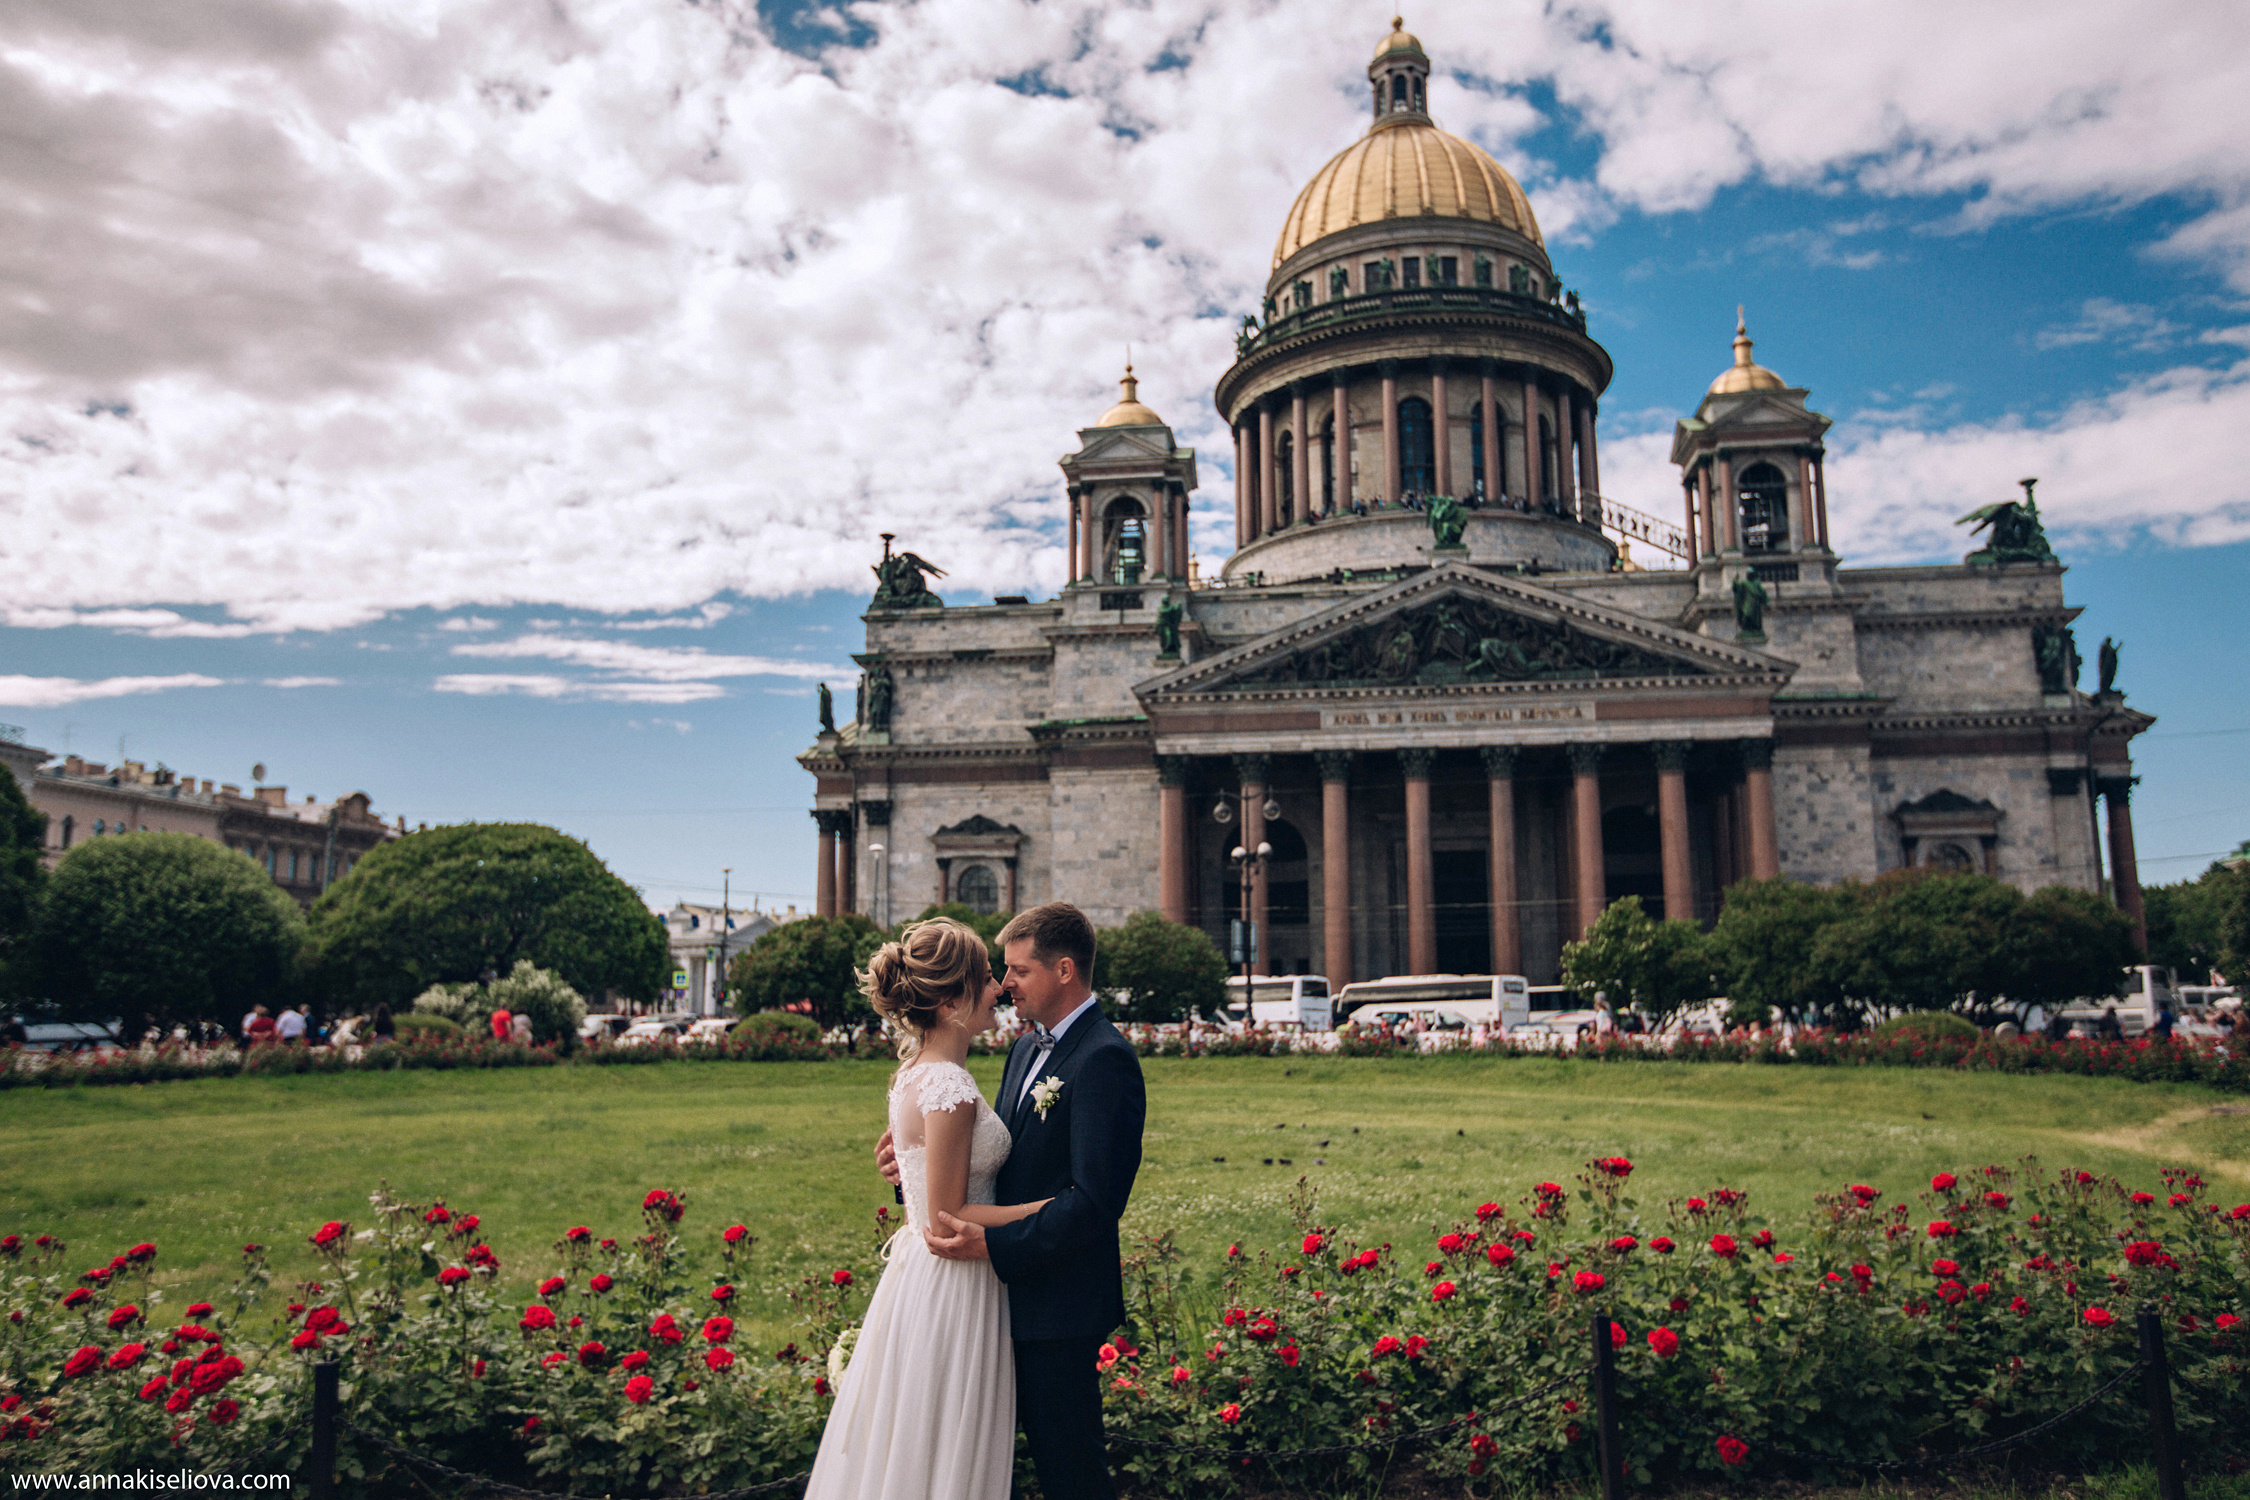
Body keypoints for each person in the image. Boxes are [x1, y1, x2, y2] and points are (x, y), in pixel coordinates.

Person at [879, 902, 1147, 1500]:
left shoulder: (1105, 1058)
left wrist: (995, 1244)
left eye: (1019, 971)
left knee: (1070, 1469)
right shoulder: (1025, 1050)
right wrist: (912, 1173)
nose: (1004, 985)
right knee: (965, 1457)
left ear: (1064, 970)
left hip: (1057, 1302)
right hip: (989, 1295)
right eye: (1002, 971)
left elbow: (1095, 1203)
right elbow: (989, 1169)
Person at [807, 918, 1052, 1500]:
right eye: (986, 978)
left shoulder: (915, 1073)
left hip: (922, 1270)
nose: (998, 988)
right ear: (949, 1002)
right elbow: (948, 1211)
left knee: (920, 1429)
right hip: (955, 1278)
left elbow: (924, 1180)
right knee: (947, 1433)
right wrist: (1049, 1209)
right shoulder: (949, 1086)